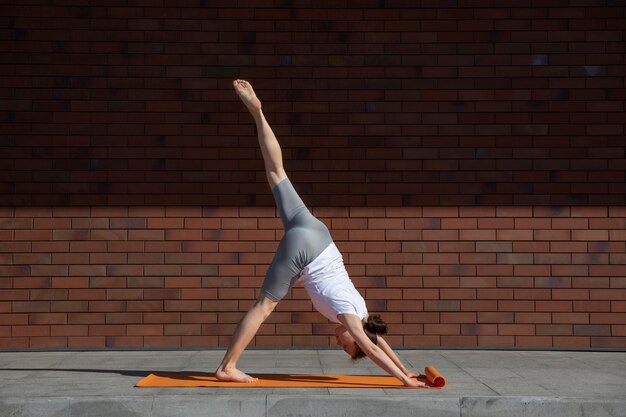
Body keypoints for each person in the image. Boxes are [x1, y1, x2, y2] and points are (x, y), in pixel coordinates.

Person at [215, 80, 425, 388]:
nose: (340, 343)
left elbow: (378, 342)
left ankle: (258, 114)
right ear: (356, 337)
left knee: (276, 172)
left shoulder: (363, 310)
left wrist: (406, 370)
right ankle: (227, 366)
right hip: (307, 251)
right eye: (346, 346)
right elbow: (371, 345)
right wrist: (404, 381)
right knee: (264, 307)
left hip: (319, 234)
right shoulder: (351, 319)